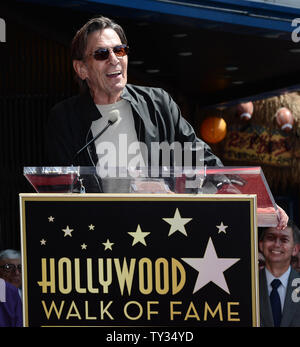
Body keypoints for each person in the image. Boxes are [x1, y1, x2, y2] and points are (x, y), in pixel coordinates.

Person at [45, 16, 289, 229]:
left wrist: (253, 198)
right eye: (101, 54)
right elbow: (64, 191)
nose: (114, 60)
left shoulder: (158, 103)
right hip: (101, 240)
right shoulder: (65, 118)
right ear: (81, 69)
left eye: (119, 50)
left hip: (161, 234)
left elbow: (199, 156)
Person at [259, 220, 300, 327]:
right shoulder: (247, 285)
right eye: (271, 238)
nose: (277, 244)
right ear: (261, 245)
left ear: (295, 249)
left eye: (284, 239)